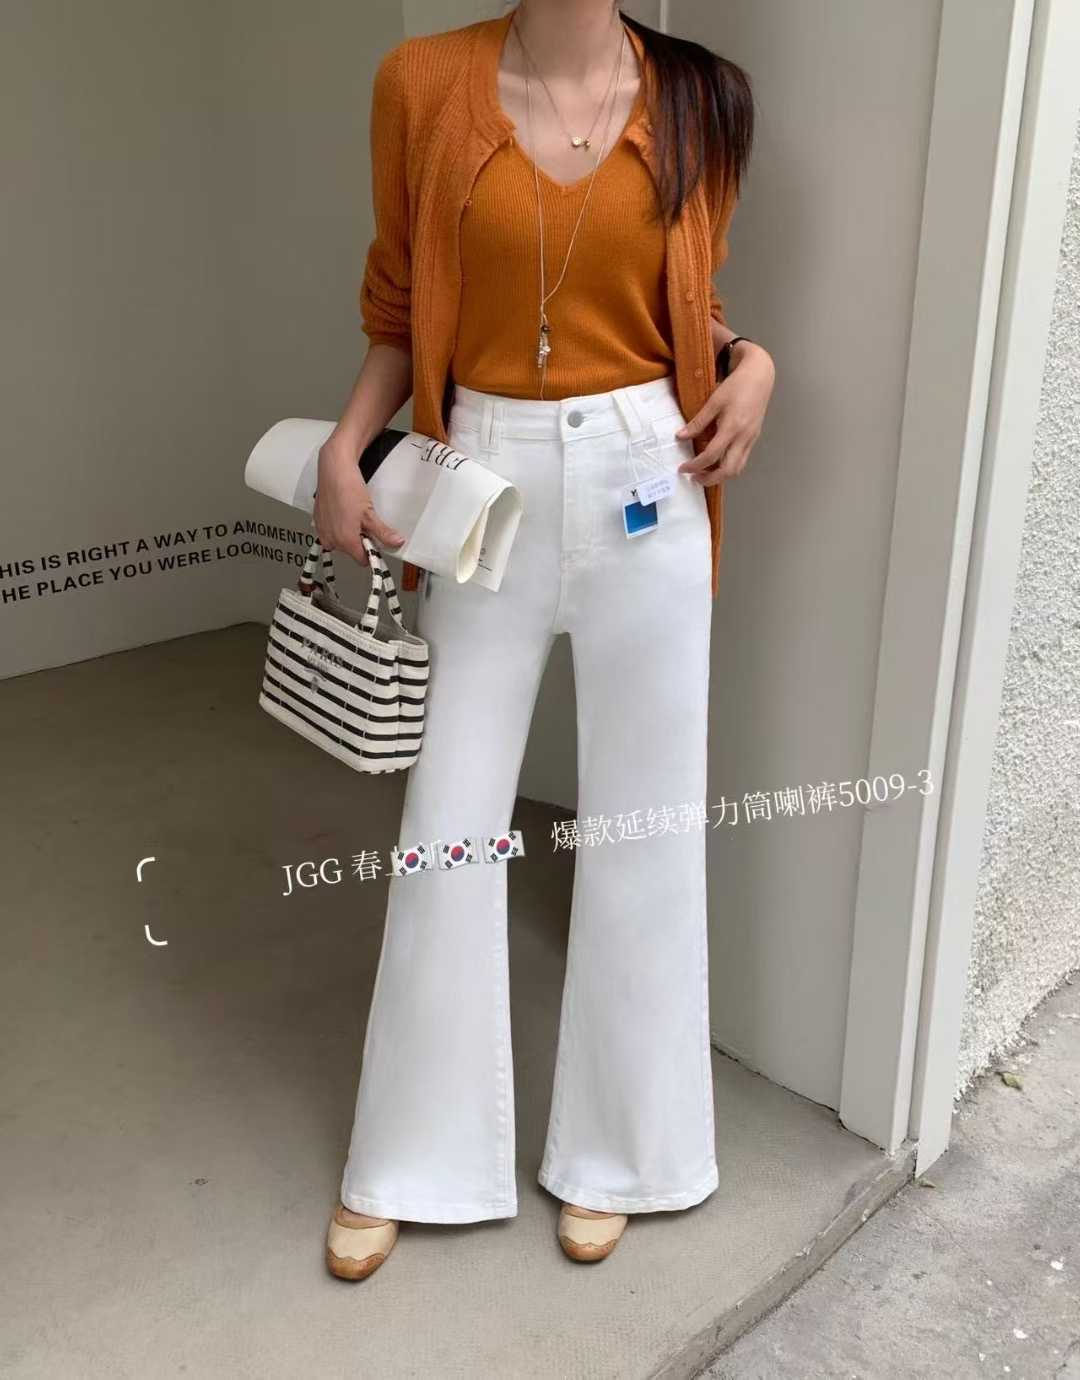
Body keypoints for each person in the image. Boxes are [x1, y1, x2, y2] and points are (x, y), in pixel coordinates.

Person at [313, 0, 775, 1278]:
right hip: (486, 475)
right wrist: (348, 446)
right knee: (446, 824)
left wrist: (755, 362)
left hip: (649, 473)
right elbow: (401, 301)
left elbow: (690, 303)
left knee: (646, 829)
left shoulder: (702, 97)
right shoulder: (423, 82)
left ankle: (624, 1155)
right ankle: (411, 1155)